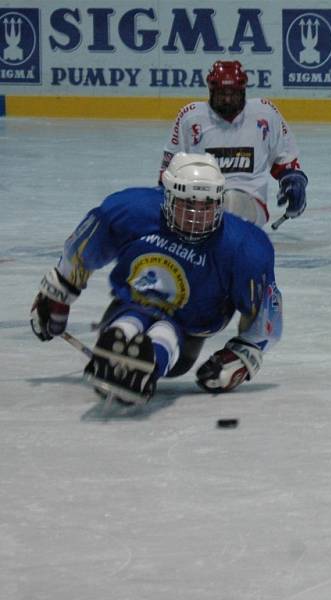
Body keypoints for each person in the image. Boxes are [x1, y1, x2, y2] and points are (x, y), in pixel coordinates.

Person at [31, 152, 283, 404]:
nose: (197, 216)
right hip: (133, 301)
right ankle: (120, 338)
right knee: (130, 318)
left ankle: (150, 359)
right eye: (187, 204)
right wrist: (57, 293)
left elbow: (264, 314)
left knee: (167, 330)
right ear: (167, 196)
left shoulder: (244, 246)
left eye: (206, 206)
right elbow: (81, 253)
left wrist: (241, 357)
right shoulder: (129, 212)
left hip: (190, 325)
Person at [160, 60, 308, 228]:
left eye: (233, 94)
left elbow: (286, 161)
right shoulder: (190, 117)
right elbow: (169, 168)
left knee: (231, 201)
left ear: (243, 91)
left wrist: (294, 183)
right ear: (211, 91)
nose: (228, 99)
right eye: (222, 94)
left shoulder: (265, 113)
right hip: (198, 200)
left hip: (250, 200)